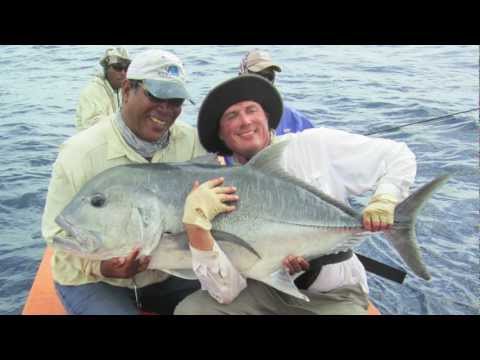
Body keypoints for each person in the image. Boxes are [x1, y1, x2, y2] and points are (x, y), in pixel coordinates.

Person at [174, 74, 417, 315]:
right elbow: (225, 288)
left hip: (332, 293)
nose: (245, 121)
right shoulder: (216, 188)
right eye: (232, 116)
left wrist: (385, 199)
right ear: (221, 134)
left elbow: (397, 156)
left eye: (251, 110)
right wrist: (197, 225)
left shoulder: (314, 145)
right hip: (263, 290)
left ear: (267, 117)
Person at [42, 49, 206, 315]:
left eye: (175, 100)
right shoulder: (78, 154)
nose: (166, 109)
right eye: (156, 95)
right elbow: (57, 234)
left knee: (236, 295)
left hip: (165, 274)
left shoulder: (193, 144)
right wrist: (102, 266)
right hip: (96, 281)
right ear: (128, 89)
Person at [239, 49, 314, 135]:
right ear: (242, 77)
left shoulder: (295, 119)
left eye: (269, 76)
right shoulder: (228, 115)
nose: (265, 82)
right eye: (259, 76)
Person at [75, 47, 131, 131]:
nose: (123, 73)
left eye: (126, 68)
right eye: (118, 67)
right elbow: (91, 128)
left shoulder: (121, 91)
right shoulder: (92, 91)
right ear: (106, 69)